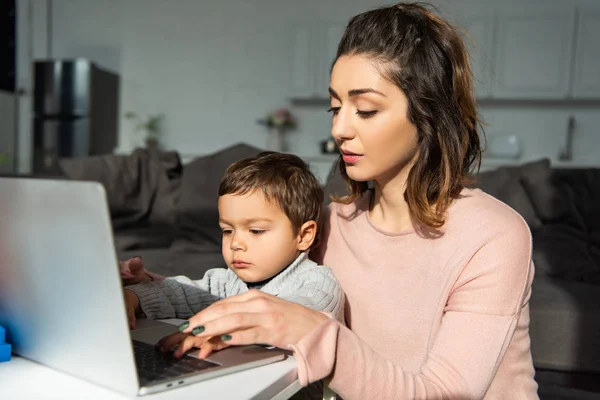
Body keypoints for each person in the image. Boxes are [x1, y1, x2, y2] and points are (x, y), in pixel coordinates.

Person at [121, 3, 539, 398]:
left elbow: (446, 393)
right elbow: (253, 288)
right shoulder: (332, 222)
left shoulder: (494, 237)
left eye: (366, 110)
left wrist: (309, 331)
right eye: (335, 107)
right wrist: (150, 289)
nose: (339, 128)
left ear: (428, 113)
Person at [122, 152, 343, 359]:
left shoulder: (317, 282)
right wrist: (133, 298)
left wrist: (229, 325)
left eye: (255, 231)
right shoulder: (228, 282)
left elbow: (293, 314)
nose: (236, 243)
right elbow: (181, 292)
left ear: (304, 235)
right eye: (227, 230)